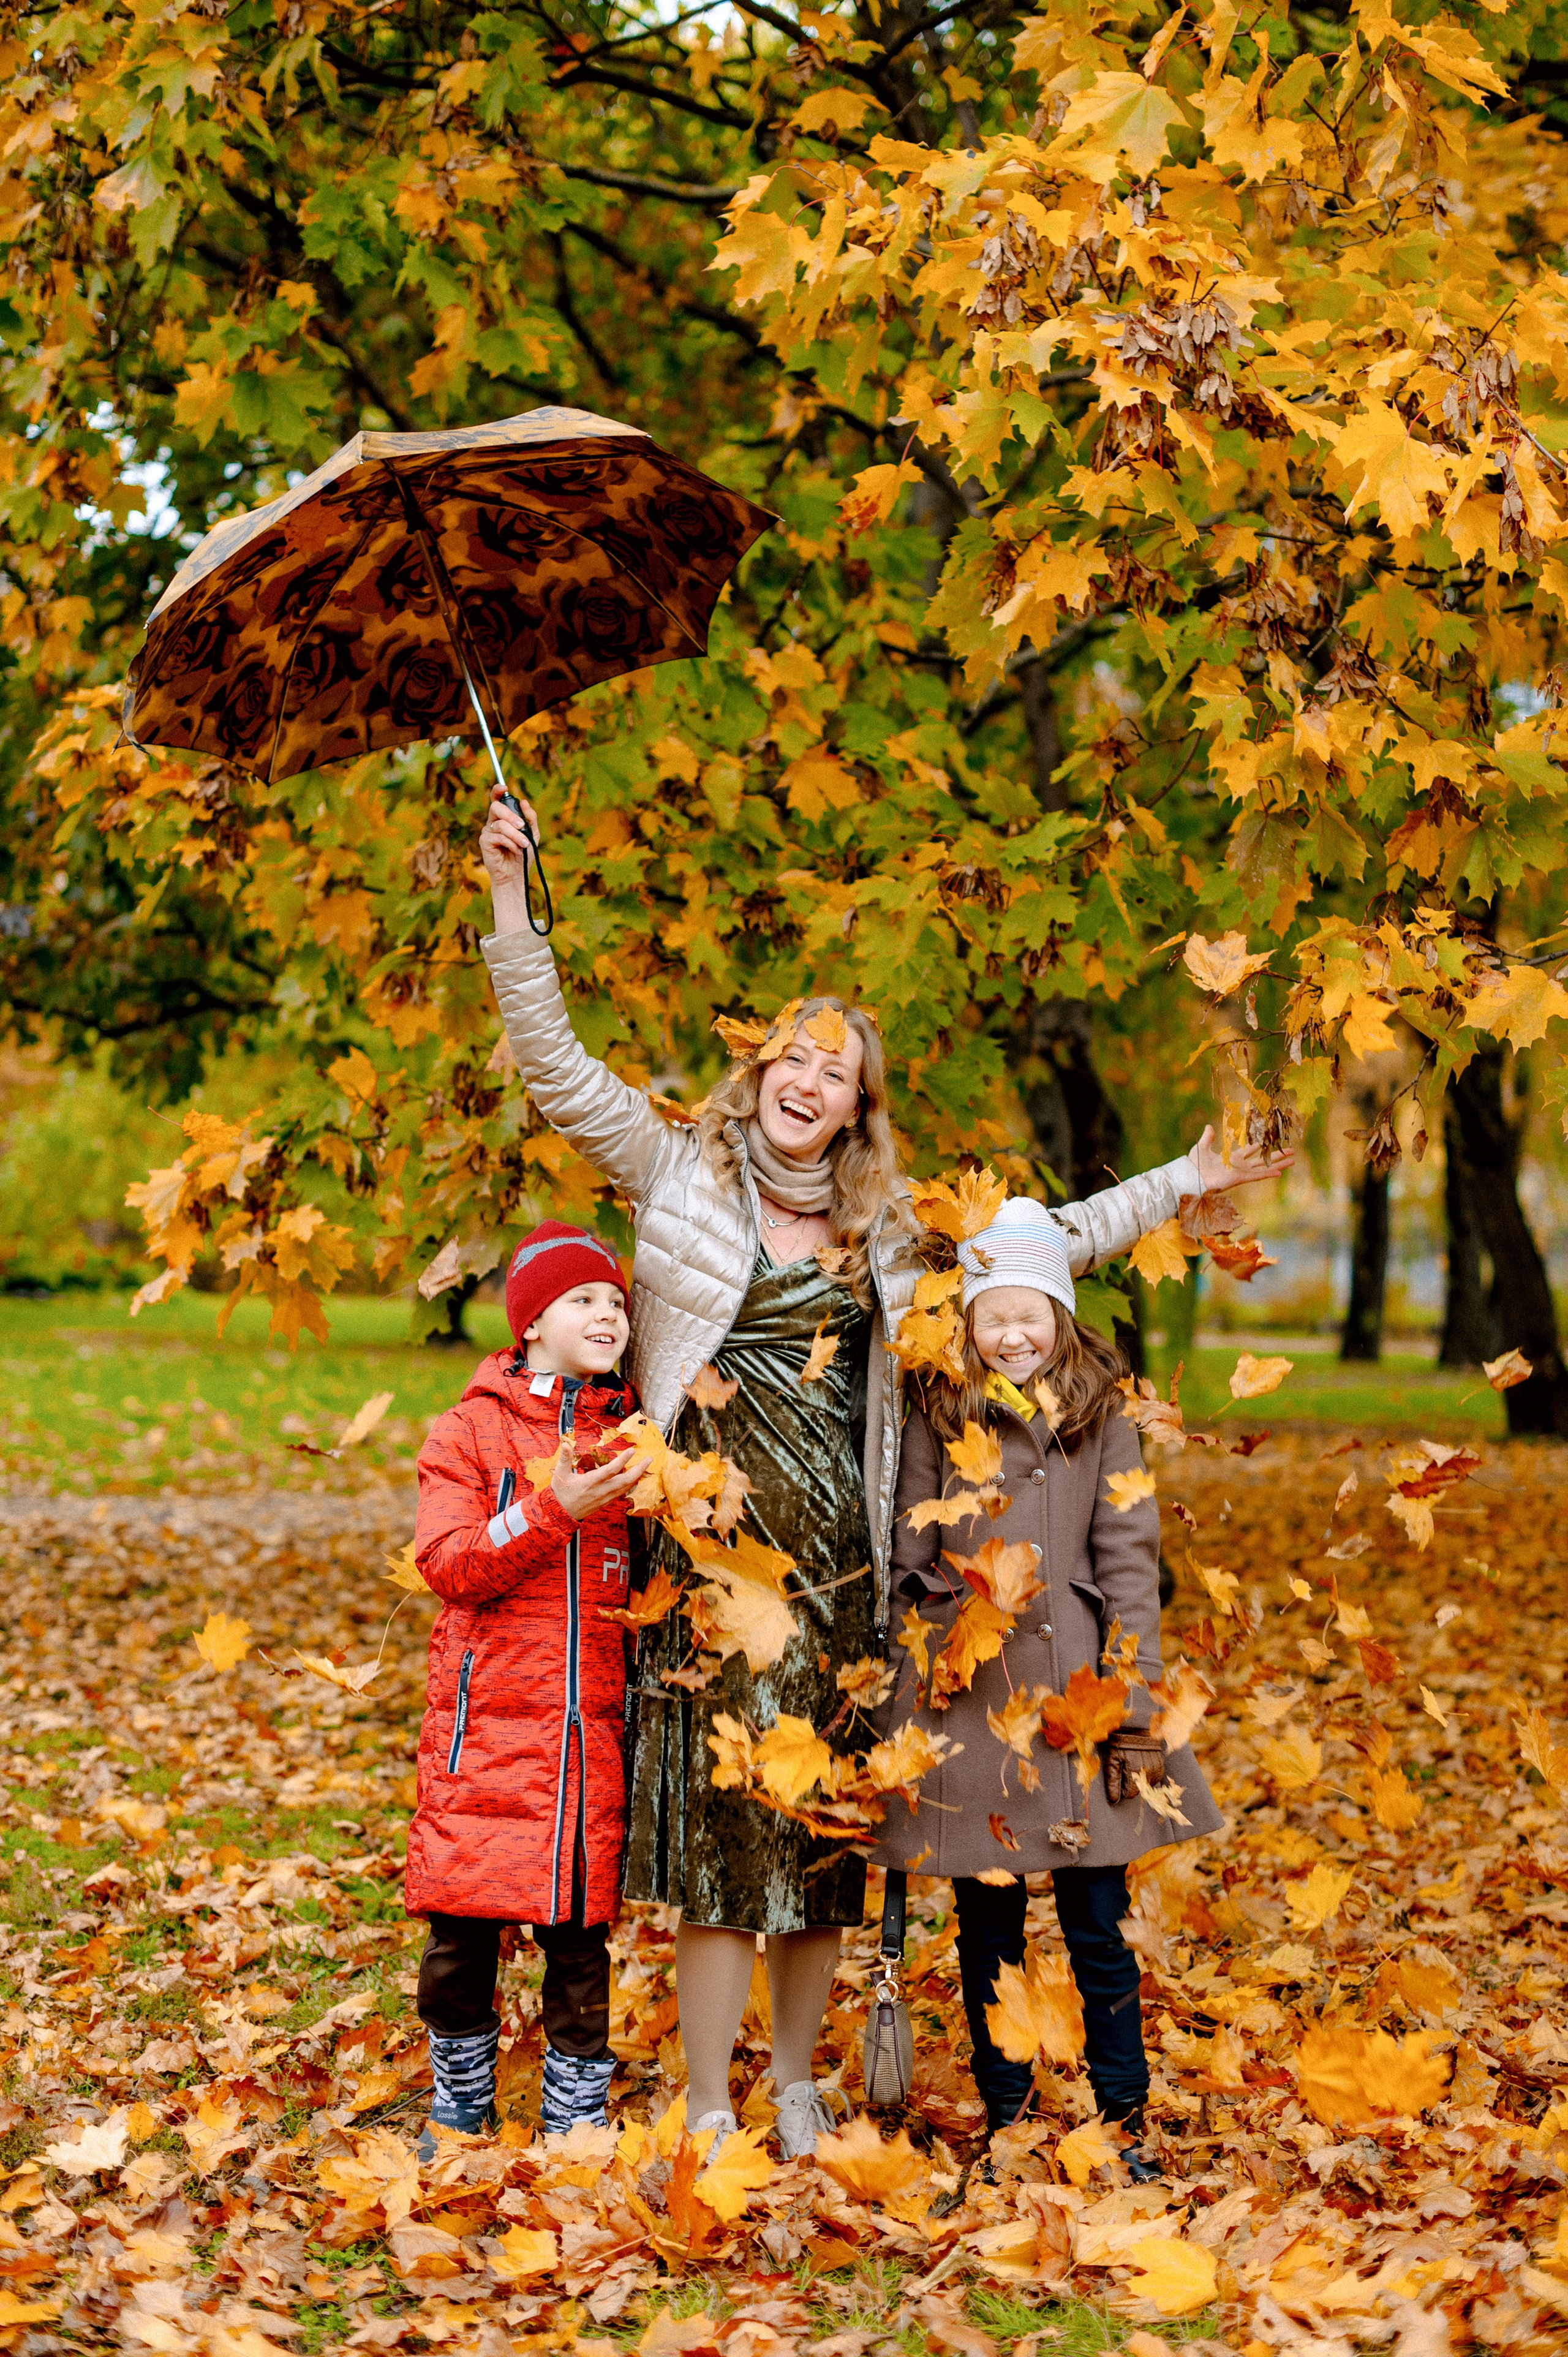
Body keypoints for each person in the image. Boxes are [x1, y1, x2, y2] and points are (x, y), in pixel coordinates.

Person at [478, 787, 1291, 2159]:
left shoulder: (891, 1232)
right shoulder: (674, 1170)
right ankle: (708, 2097)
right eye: (790, 1058)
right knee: (721, 1840)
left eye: (835, 1070)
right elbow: (553, 1065)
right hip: (706, 1575)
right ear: (758, 1074)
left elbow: (1046, 1241)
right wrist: (512, 897)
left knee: (821, 1838)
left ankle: (797, 2083)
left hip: (846, 1575)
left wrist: (1185, 1177)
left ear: (860, 1103)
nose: (806, 1082)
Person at [871, 1197, 1223, 2171]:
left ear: (1061, 1317)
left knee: (1097, 1922)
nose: (1012, 1335)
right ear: (969, 1326)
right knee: (987, 1924)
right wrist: (918, 1642)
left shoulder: (1103, 1417)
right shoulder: (940, 1409)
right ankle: (1010, 2115)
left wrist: (1135, 1692)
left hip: (1079, 1695)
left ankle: (1124, 2114)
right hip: (972, 1695)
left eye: (1029, 1314)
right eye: (992, 1317)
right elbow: (909, 1542)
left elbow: (1130, 1558)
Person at [404, 1219, 647, 2158]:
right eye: (583, 1299)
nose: (607, 1314)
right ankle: (459, 2104)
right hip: (488, 1733)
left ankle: (574, 2117)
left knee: (580, 1941)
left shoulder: (636, 1438)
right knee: (462, 1935)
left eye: (617, 1301)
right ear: (533, 1322)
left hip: (589, 1737)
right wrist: (555, 1510)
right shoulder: (468, 1430)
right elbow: (450, 1563)